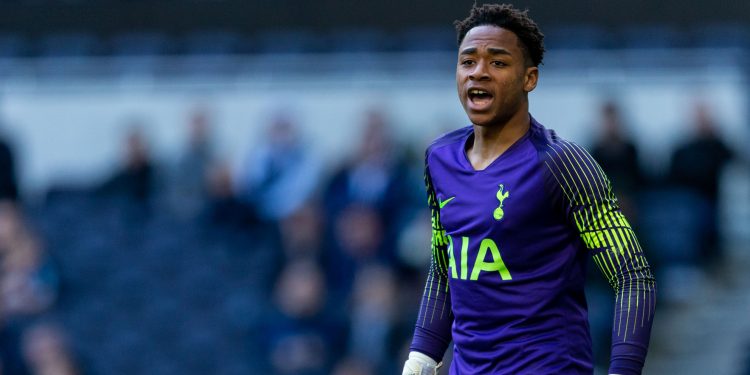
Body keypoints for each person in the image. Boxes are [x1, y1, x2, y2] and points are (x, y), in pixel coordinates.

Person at [402, 4, 656, 375]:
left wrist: (624, 369)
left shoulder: (562, 164)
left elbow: (633, 275)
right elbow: (445, 266)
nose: (479, 72)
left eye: (498, 63)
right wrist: (421, 357)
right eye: (468, 61)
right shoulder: (438, 159)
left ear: (529, 78)